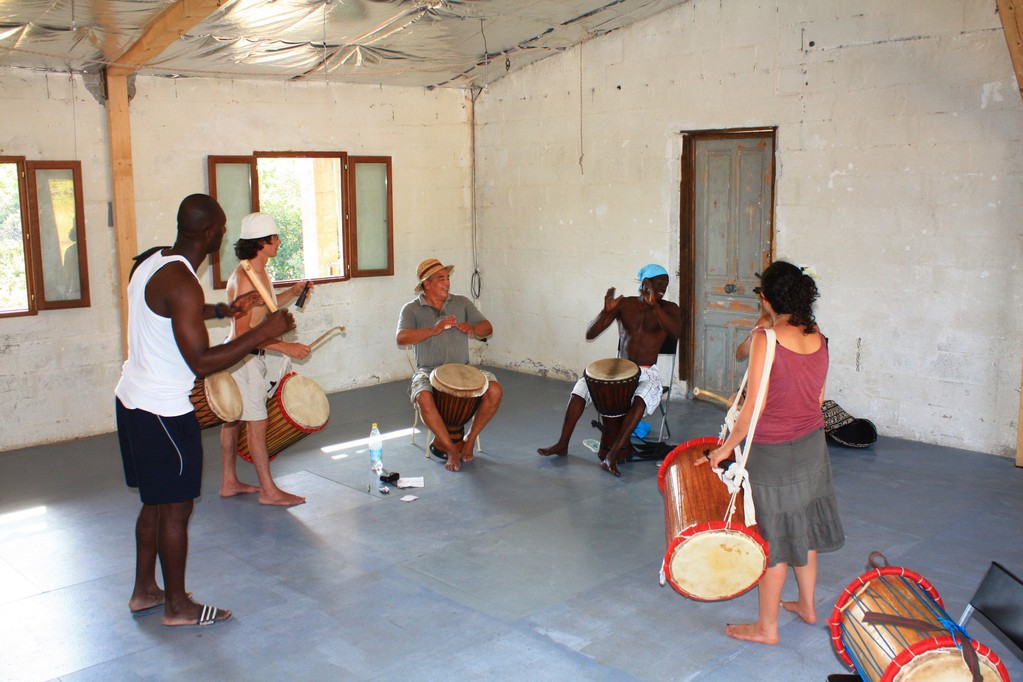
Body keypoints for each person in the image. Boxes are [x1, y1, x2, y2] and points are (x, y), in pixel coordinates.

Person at [115, 194, 295, 627]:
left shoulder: (151, 260)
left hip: (131, 399)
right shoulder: (183, 283)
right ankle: (177, 606)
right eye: (223, 226)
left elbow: (168, 311)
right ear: (213, 235)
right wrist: (264, 332)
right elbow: (201, 362)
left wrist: (221, 310)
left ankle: (145, 591)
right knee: (176, 508)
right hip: (162, 410)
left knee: (154, 504)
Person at [701, 260, 844, 644]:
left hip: (774, 450)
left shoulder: (768, 339)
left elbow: (755, 409)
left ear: (765, 299)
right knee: (805, 529)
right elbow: (817, 398)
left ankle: (766, 627)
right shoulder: (818, 335)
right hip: (813, 444)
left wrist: (724, 450)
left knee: (775, 539)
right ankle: (809, 606)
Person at [538, 264, 682, 476]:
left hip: (646, 371)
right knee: (581, 387)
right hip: (620, 368)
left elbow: (675, 333)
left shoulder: (670, 309)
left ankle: (612, 455)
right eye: (658, 283)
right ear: (645, 282)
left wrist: (655, 308)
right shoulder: (625, 305)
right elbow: (590, 333)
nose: (662, 288)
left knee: (641, 399)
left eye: (665, 284)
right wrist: (605, 312)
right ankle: (562, 444)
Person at [219, 213, 313, 506]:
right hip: (242, 359)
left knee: (232, 419)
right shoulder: (246, 279)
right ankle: (269, 491)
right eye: (275, 238)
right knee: (256, 423)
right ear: (262, 243)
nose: (279, 242)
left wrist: (293, 293)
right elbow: (243, 333)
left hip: (243, 358)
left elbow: (268, 307)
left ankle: (229, 481)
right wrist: (285, 348)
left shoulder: (257, 271)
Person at [396, 258, 502, 472]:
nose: (447, 283)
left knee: (495, 390)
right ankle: (451, 449)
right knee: (424, 397)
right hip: (427, 371)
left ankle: (470, 439)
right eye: (441, 279)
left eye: (447, 278)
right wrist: (433, 330)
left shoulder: (461, 303)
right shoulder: (411, 310)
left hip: (463, 370)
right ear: (427, 284)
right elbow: (401, 338)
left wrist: (471, 328)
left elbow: (487, 328)